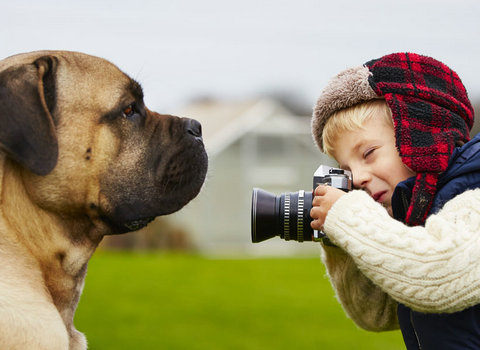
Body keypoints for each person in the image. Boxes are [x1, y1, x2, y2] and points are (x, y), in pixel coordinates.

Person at [309, 52, 480, 349]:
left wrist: (350, 215)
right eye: (346, 169)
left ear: (419, 133)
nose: (358, 178)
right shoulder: (421, 214)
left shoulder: (474, 190)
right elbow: (377, 314)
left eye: (368, 153)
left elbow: (440, 274)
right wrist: (339, 239)